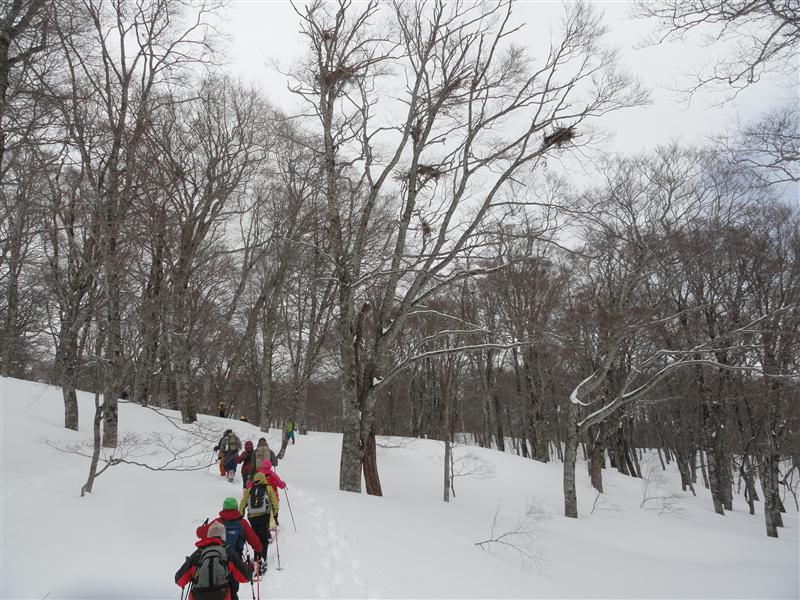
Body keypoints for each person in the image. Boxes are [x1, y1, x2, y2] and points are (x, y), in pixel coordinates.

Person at [196, 498, 263, 599]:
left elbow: (201, 533)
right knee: (232, 591)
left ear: (223, 508)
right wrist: (258, 551)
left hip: (215, 562)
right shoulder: (242, 523)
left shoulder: (217, 522)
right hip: (235, 563)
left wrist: (200, 528)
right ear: (236, 508)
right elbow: (254, 540)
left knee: (216, 590)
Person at [175, 520, 252, 600]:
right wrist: (250, 567)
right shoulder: (228, 552)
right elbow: (246, 577)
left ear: (209, 535)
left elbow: (179, 580)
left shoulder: (198, 554)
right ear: (223, 536)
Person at [239, 472, 276, 573]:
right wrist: (275, 514)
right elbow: (274, 501)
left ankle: (256, 559)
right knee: (264, 539)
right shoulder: (267, 487)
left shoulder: (250, 489)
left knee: (256, 539)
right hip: (264, 516)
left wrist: (241, 513)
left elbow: (243, 502)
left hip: (252, 517)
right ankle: (262, 560)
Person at [257, 459, 286, 525]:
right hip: (274, 496)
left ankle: (265, 522)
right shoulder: (273, 475)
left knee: (263, 510)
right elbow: (281, 485)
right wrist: (283, 484)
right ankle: (275, 521)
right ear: (270, 466)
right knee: (274, 509)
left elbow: (251, 484)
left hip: (261, 496)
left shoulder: (259, 475)